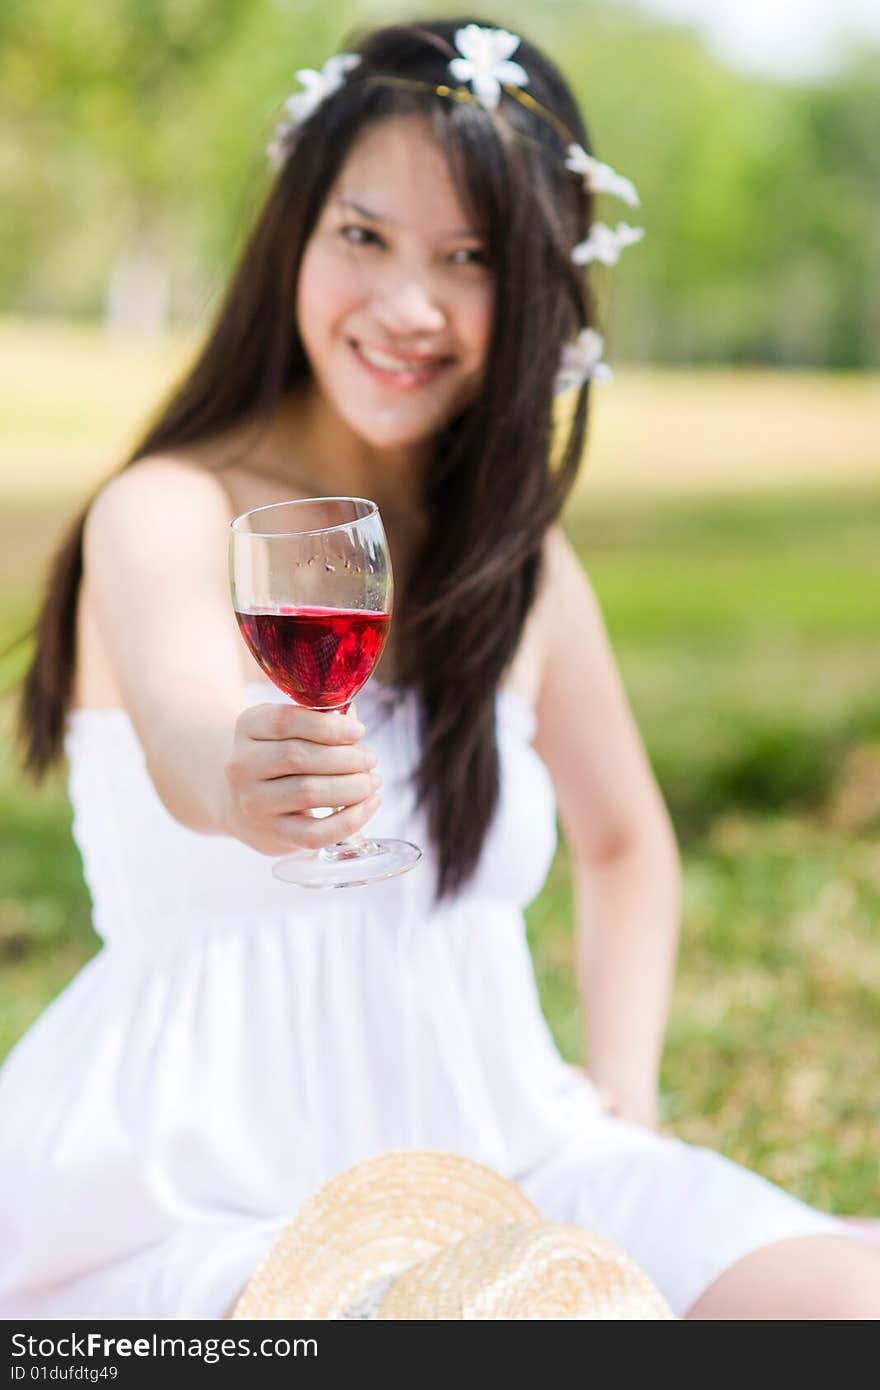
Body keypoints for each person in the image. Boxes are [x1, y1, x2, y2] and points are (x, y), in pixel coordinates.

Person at [2, 17, 878, 1322]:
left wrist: (622, 1087)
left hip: (516, 1152)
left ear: (535, 290)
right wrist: (247, 768)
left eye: (467, 259)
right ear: (295, 237)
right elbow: (193, 735)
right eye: (365, 237)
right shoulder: (172, 508)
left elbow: (628, 838)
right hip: (219, 1198)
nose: (408, 306)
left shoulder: (515, 567)